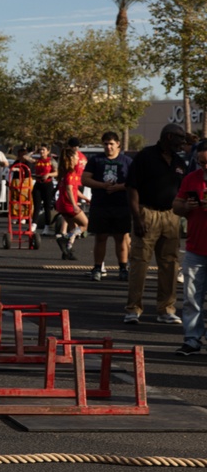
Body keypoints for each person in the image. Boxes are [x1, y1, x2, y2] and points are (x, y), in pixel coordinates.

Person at [123, 123, 188, 325]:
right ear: (168, 137)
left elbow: (182, 191)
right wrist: (137, 217)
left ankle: (166, 310)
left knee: (170, 263)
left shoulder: (179, 162)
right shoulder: (145, 156)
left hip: (171, 215)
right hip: (147, 212)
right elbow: (131, 187)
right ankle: (133, 309)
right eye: (180, 139)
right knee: (140, 262)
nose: (182, 143)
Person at [82, 132, 132, 281]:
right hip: (100, 205)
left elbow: (134, 182)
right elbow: (85, 179)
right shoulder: (95, 160)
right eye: (105, 144)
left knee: (121, 238)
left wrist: (119, 187)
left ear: (118, 144)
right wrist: (102, 185)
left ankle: (123, 268)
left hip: (121, 205)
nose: (108, 147)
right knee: (100, 237)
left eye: (111, 143)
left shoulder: (127, 161)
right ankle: (97, 268)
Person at [172, 140, 207, 355]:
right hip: (196, 248)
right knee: (191, 298)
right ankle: (192, 339)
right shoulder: (190, 179)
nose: (205, 166)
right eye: (201, 162)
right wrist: (186, 205)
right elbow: (176, 206)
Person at [54, 146, 87, 260]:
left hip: (62, 205)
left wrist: (86, 198)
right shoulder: (70, 173)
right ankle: (65, 238)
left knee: (73, 226)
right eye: (76, 156)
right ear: (71, 159)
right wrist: (74, 205)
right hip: (68, 205)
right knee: (85, 224)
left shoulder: (64, 173)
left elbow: (74, 190)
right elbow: (69, 189)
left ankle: (67, 250)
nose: (78, 158)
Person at [31, 143, 57, 235]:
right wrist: (33, 152)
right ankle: (33, 225)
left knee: (47, 207)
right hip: (38, 184)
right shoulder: (37, 160)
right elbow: (25, 157)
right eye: (40, 150)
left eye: (43, 150)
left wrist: (49, 174)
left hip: (47, 185)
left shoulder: (51, 161)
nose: (41, 152)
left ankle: (46, 227)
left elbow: (57, 172)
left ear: (48, 151)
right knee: (37, 205)